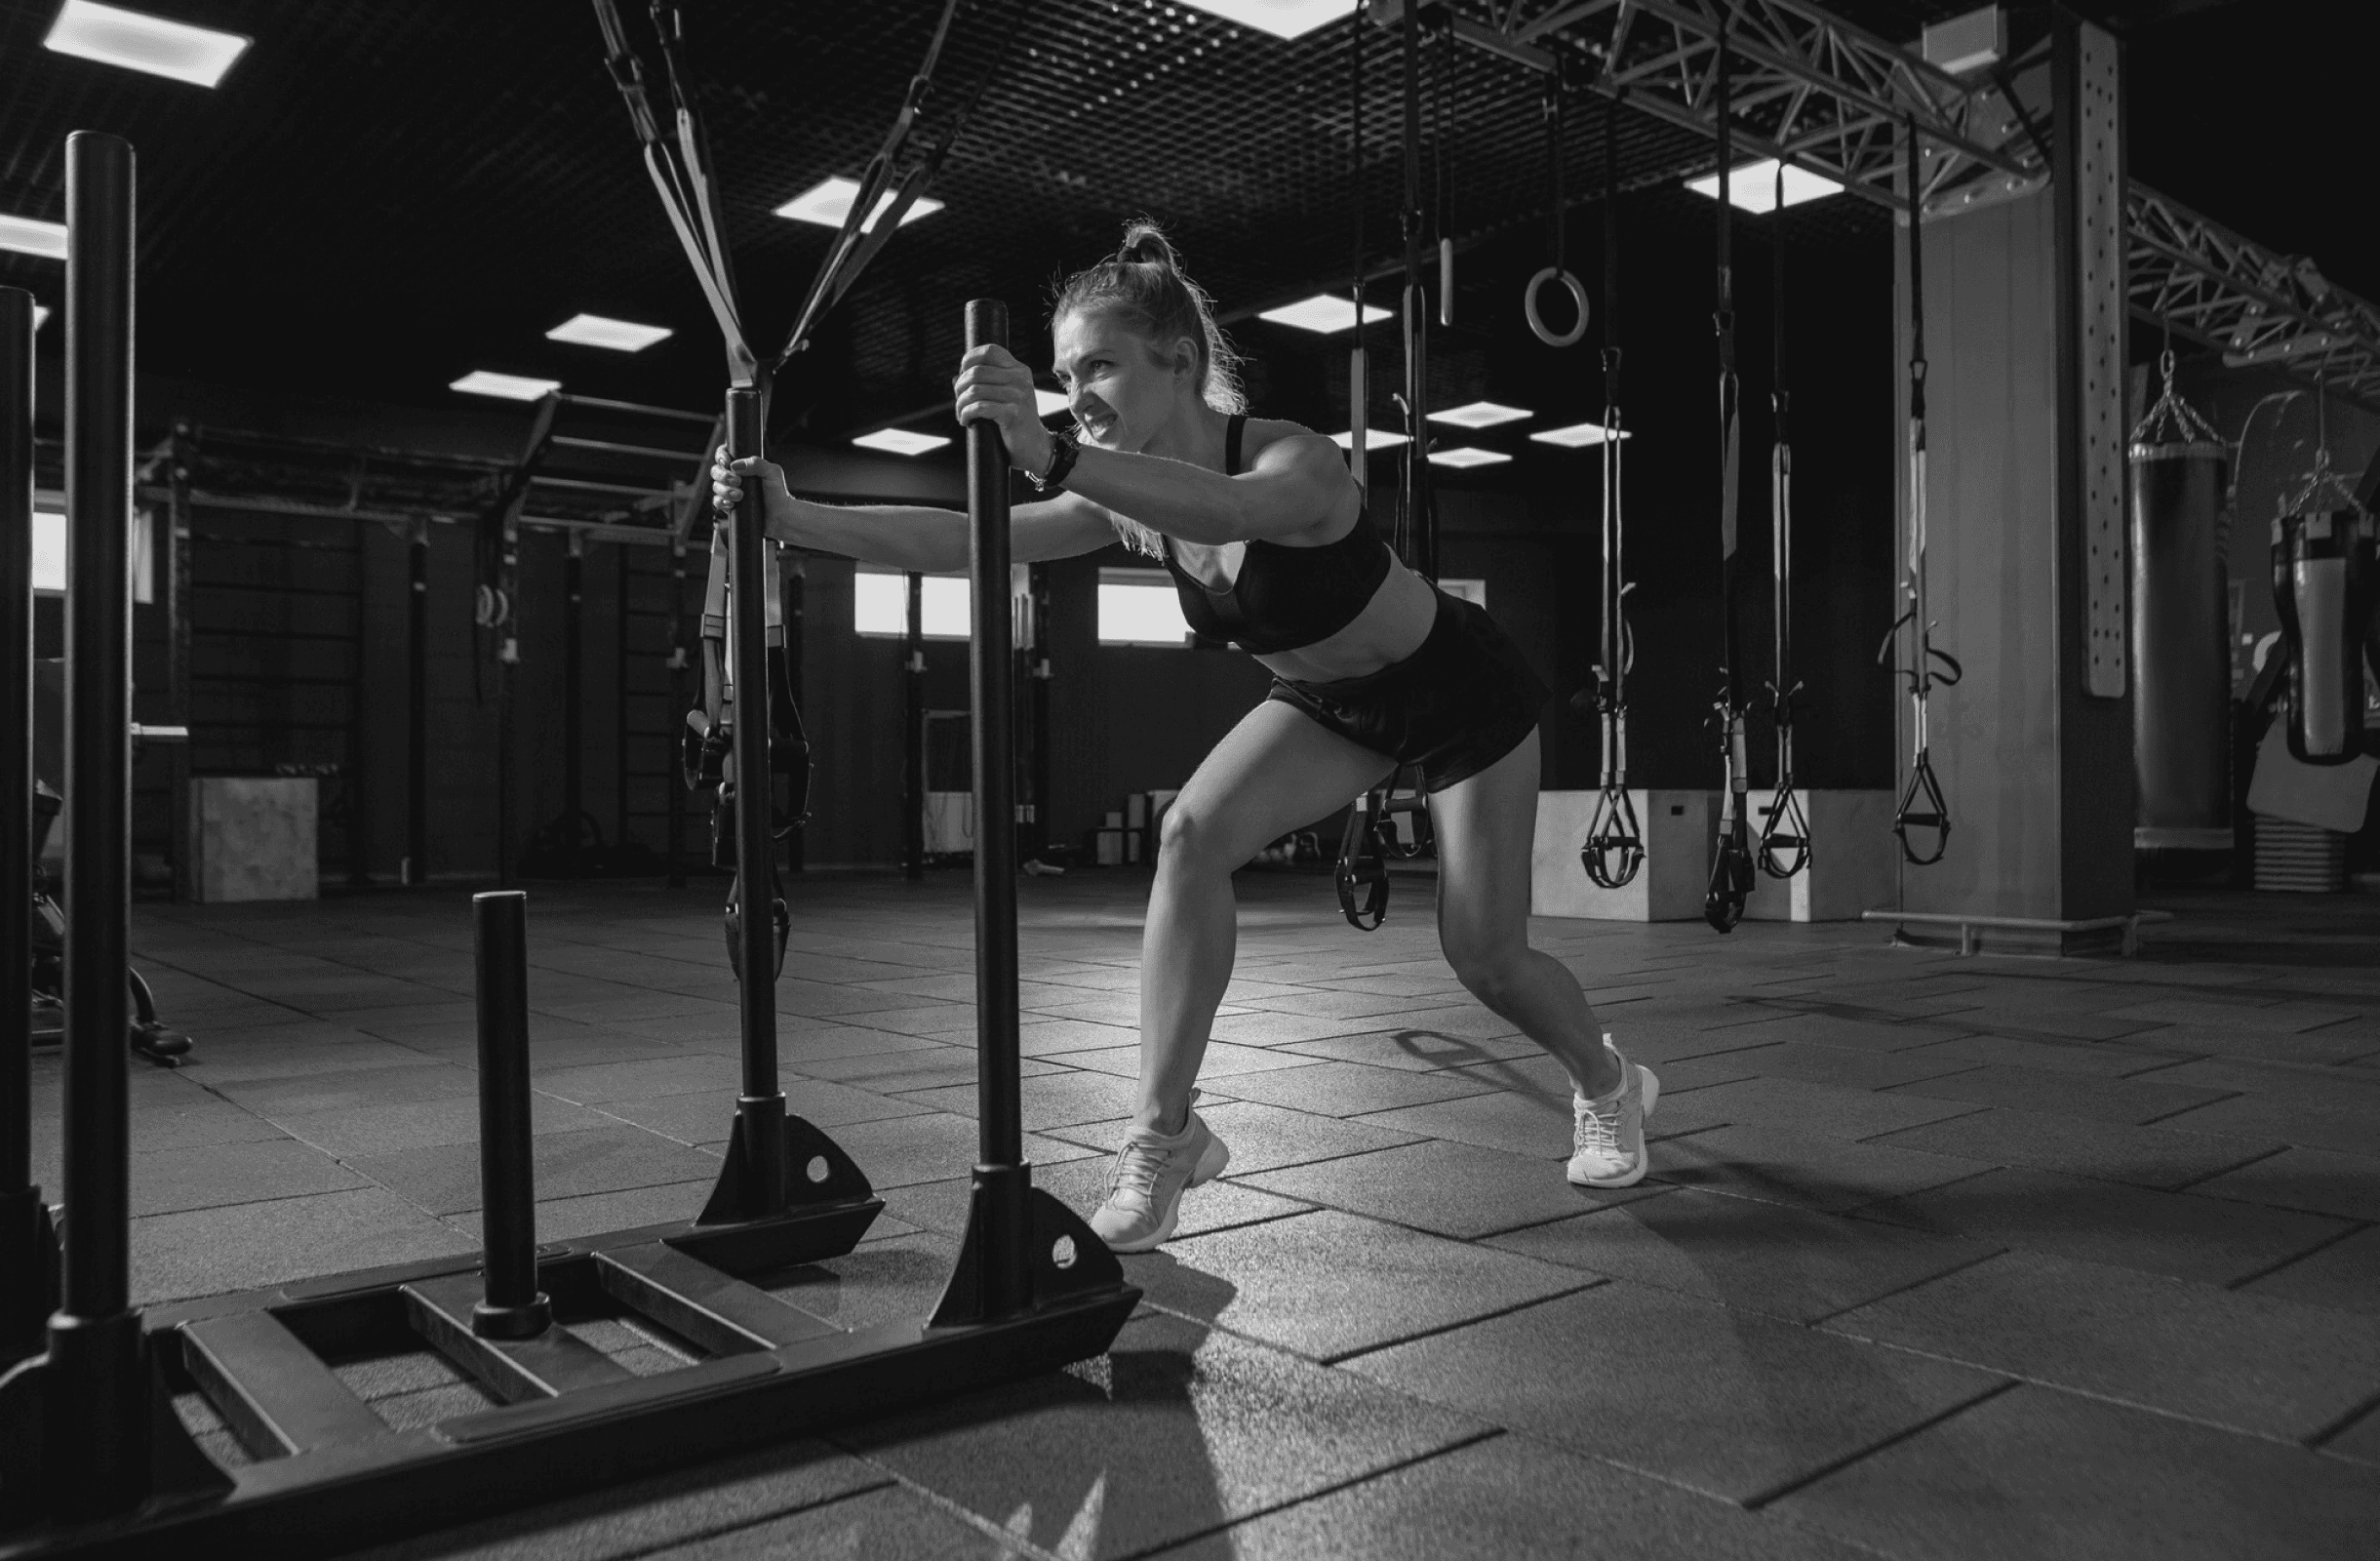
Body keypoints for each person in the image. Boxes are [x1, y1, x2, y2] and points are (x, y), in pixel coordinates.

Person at [712, 221, 1656, 1252]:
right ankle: (1165, 1136)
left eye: (1102, 366)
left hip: (1458, 691)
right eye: (1066, 375)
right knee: (1189, 837)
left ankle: (1608, 1083)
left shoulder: (1297, 460)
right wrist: (796, 518)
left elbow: (1226, 509)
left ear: (1180, 363)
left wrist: (1055, 453)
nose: (1080, 393)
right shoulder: (1126, 498)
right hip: (1330, 706)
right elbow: (974, 536)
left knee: (1484, 955)